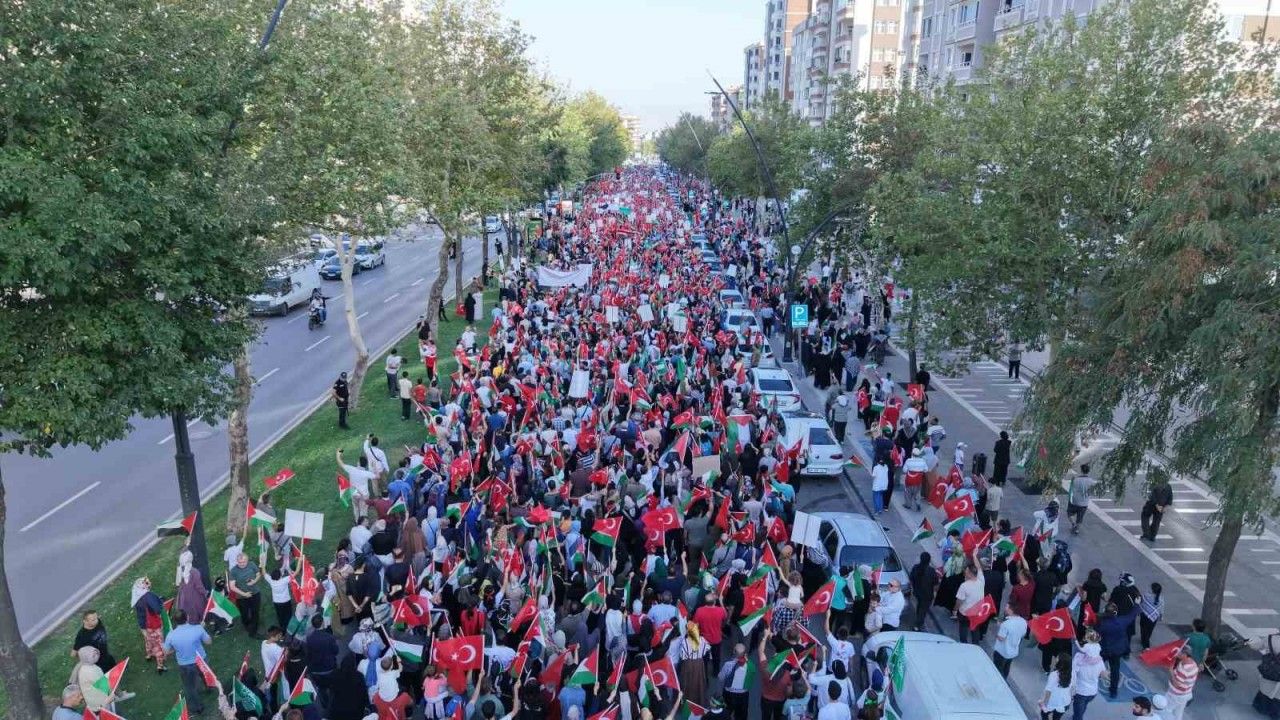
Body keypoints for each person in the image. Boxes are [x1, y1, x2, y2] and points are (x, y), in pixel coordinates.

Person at [162, 609, 212, 716]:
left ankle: (198, 708)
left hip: (185, 665)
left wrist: (175, 649)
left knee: (190, 686)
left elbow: (166, 652)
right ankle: (209, 687)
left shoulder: (171, 635)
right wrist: (202, 630)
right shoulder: (198, 628)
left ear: (175, 621)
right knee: (205, 675)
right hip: (201, 660)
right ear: (187, 618)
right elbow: (208, 642)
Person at [130, 577, 167, 672]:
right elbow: (157, 609)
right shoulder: (148, 596)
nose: (149, 583)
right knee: (158, 645)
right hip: (153, 626)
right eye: (147, 583)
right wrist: (160, 601)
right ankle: (160, 665)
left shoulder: (137, 596)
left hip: (143, 625)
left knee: (148, 640)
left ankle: (149, 655)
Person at [227, 552, 263, 637]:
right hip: (241, 597)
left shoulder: (252, 564)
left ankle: (253, 631)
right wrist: (244, 594)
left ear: (247, 560)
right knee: (244, 614)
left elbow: (258, 574)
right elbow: (232, 586)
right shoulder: (233, 571)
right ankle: (247, 625)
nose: (242, 564)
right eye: (239, 562)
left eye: (244, 562)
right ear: (237, 561)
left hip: (255, 593)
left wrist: (254, 581)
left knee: (255, 612)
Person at [1070, 640, 1107, 720]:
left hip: (1080, 692)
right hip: (1093, 692)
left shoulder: (1079, 659)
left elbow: (1073, 675)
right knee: (1084, 706)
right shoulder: (1100, 661)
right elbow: (1103, 675)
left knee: (1078, 712)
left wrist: (1071, 690)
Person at [1164, 644, 1200, 720]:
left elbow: (1176, 684)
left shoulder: (1184, 670)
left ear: (1185, 655)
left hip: (1176, 695)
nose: (1177, 653)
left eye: (1179, 652)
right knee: (1178, 713)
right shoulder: (1193, 663)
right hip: (1185, 694)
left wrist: (1171, 671)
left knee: (1166, 710)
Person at [992, 604, 1028, 678]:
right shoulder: (1023, 621)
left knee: (997, 671)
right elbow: (1023, 634)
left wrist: (996, 634)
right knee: (1006, 668)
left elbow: (1001, 638)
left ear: (1011, 610)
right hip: (1013, 651)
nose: (1005, 608)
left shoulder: (1006, 624)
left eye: (1006, 607)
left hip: (1002, 652)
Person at [908, 552, 938, 630]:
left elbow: (911, 579)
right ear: (929, 560)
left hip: (917, 592)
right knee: (923, 610)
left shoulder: (915, 567)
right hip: (927, 594)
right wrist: (935, 593)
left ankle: (918, 618)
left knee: (920, 605)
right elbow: (935, 583)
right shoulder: (931, 571)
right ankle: (917, 625)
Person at [1140, 474, 1174, 542]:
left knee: (1145, 516)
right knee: (1156, 521)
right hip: (1162, 506)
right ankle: (1153, 536)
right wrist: (1165, 507)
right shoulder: (1168, 487)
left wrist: (1157, 505)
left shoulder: (1155, 485)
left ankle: (1147, 533)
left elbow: (1152, 496)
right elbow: (1170, 499)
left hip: (1151, 505)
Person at [1039, 652, 1072, 720]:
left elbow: (1048, 691)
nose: (1055, 659)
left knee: (1044, 714)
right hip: (1065, 702)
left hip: (1053, 701)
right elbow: (1073, 689)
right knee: (1057, 718)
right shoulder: (1072, 674)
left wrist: (1043, 702)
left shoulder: (1054, 675)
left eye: (1057, 658)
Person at [1067, 464, 1098, 535]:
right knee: (1080, 517)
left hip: (1074, 501)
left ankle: (1073, 524)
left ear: (1081, 471)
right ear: (1088, 471)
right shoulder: (1091, 481)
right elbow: (1094, 490)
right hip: (1084, 503)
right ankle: (1077, 530)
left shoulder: (1075, 480)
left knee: (1069, 513)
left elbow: (1071, 489)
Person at [1138, 582, 1165, 650]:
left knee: (1143, 629)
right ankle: (1145, 641)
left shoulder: (1146, 596)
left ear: (1152, 589)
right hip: (1154, 617)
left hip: (1144, 615)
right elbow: (1161, 609)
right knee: (1149, 630)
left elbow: (1141, 603)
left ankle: (1146, 646)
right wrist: (1161, 616)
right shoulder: (1161, 599)